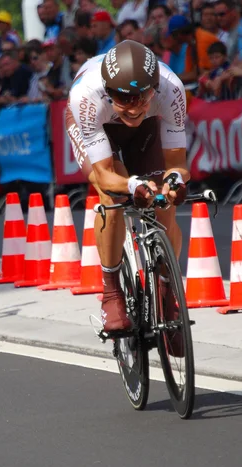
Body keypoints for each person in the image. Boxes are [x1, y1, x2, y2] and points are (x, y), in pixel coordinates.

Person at [65, 40, 189, 337]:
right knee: (112, 194)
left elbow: (177, 163)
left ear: (155, 88)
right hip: (97, 125)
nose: (133, 107)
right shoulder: (85, 96)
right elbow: (105, 175)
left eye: (142, 98)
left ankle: (166, 288)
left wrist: (175, 182)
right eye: (123, 98)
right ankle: (111, 292)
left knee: (164, 200)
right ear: (108, 91)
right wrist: (132, 184)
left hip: (146, 130)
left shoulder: (172, 89)